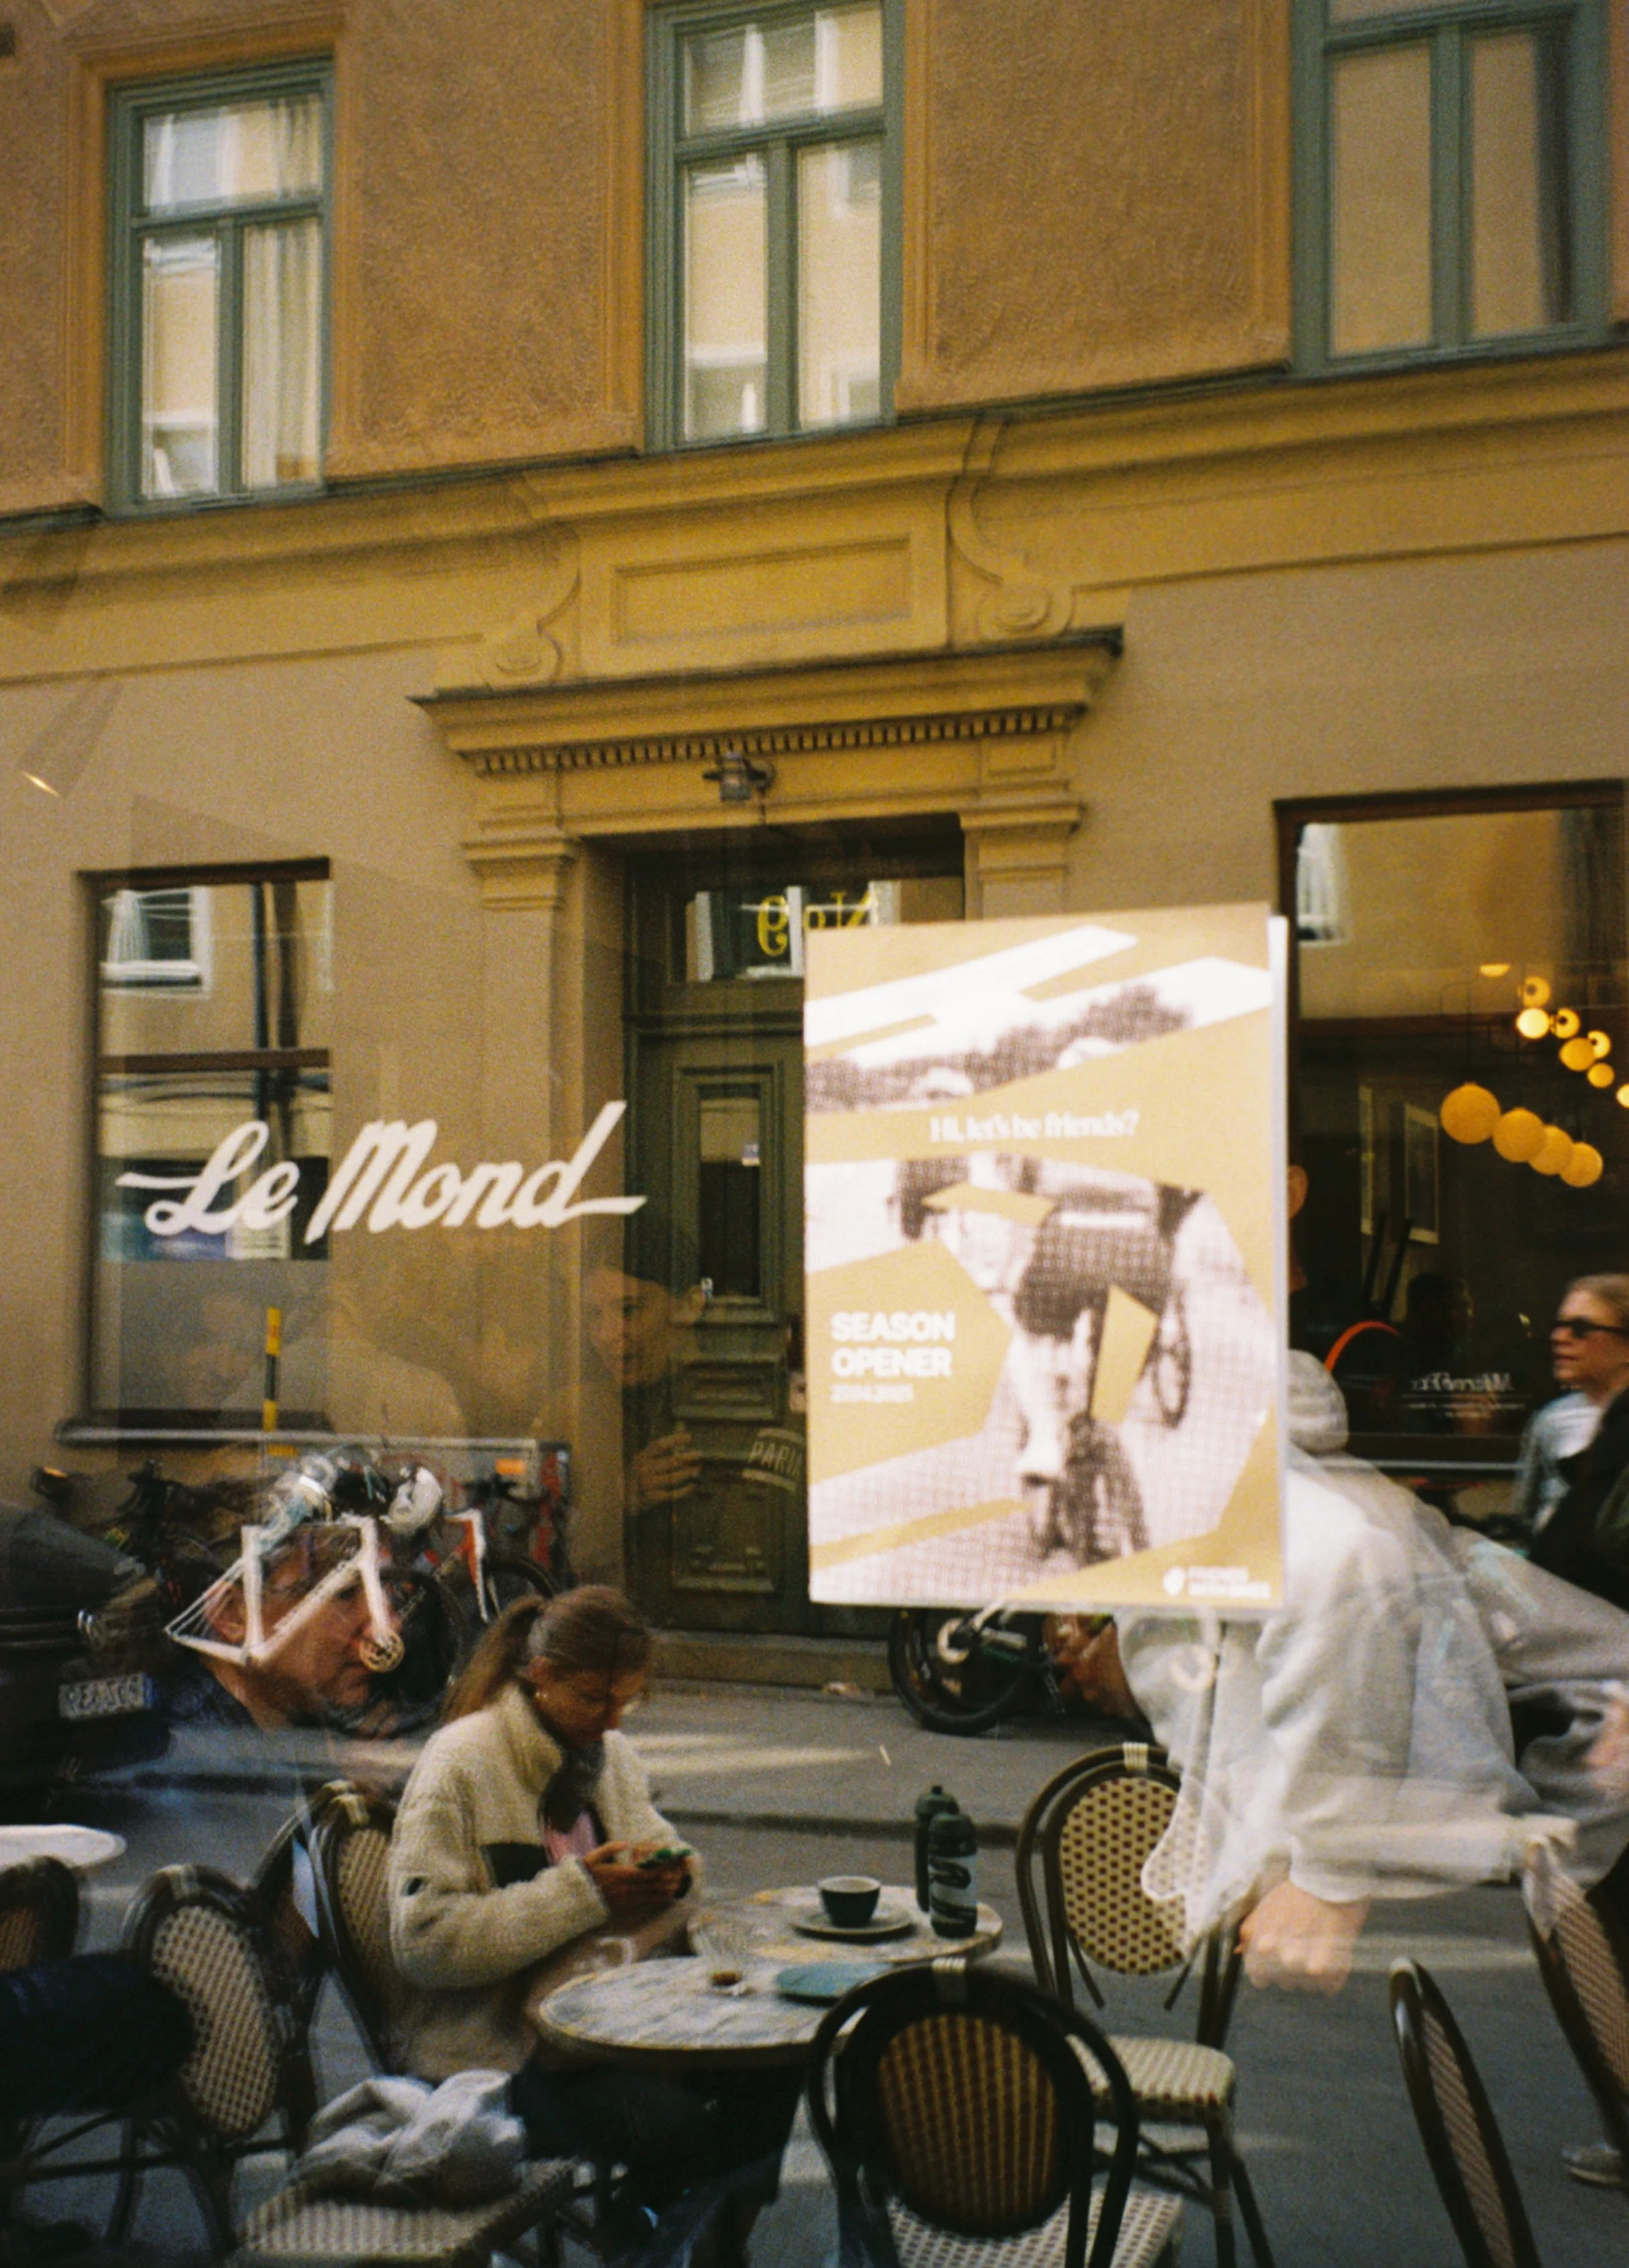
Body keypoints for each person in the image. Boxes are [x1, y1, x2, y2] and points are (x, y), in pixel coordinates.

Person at [387, 1588, 800, 2260]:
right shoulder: (462, 1761)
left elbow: (667, 1847)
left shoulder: (608, 1754)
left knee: (779, 2061)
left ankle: (709, 2246)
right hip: (505, 2051)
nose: (611, 1722)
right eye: (593, 1700)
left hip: (617, 2026)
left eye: (625, 1703)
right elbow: (424, 1943)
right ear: (540, 1675)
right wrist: (585, 1893)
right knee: (680, 2133)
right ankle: (651, 2235)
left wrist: (672, 1875)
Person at [165, 1515, 399, 1732]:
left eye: (383, 1585)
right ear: (231, 1615)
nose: (389, 1628)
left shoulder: (297, 1718)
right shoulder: (186, 1760)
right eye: (344, 1593)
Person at [1525, 1273, 1629, 1612]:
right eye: (1559, 1325)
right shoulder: (1554, 1420)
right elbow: (1529, 1507)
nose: (1560, 1337)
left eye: (1581, 1328)